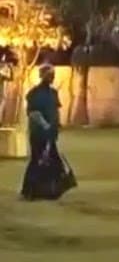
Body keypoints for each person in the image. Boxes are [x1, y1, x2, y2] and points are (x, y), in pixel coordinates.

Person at [21, 64, 75, 201]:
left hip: (51, 134)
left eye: (53, 74)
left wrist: (56, 125)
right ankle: (29, 190)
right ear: (42, 75)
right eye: (49, 74)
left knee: (53, 162)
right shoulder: (34, 93)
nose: (52, 77)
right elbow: (33, 113)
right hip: (39, 134)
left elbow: (55, 111)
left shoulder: (53, 93)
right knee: (37, 160)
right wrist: (46, 125)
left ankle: (50, 190)